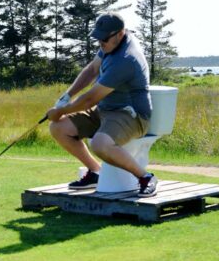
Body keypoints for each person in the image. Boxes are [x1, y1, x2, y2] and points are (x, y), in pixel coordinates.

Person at [46, 12, 157, 197]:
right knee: (58, 127)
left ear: (120, 34)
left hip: (132, 115)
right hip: (104, 110)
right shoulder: (109, 46)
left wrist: (60, 110)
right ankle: (95, 172)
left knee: (100, 144)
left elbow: (91, 99)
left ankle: (146, 177)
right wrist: (67, 96)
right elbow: (91, 70)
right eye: (98, 39)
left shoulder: (125, 59)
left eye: (103, 39)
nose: (100, 43)